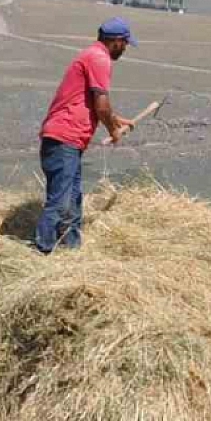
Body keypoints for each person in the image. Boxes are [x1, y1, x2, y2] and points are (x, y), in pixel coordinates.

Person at [33, 18, 135, 253]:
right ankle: (42, 251)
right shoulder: (100, 59)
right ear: (116, 41)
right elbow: (101, 105)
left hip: (68, 140)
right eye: (125, 43)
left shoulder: (91, 55)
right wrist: (113, 130)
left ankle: (71, 251)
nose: (126, 48)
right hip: (64, 138)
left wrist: (117, 120)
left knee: (73, 199)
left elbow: (88, 102)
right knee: (59, 201)